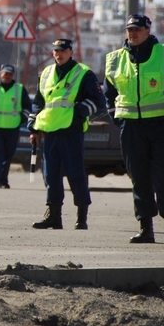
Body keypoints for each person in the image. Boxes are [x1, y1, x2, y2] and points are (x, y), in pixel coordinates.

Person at [104, 14, 164, 245]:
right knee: (139, 178)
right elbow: (109, 94)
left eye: (137, 29)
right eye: (129, 29)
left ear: (147, 30)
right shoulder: (114, 59)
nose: (132, 33)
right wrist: (118, 119)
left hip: (163, 125)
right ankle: (145, 228)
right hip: (131, 127)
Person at [27, 39, 106, 230]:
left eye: (62, 51)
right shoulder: (46, 73)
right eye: (55, 51)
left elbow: (98, 101)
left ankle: (81, 218)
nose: (58, 54)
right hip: (50, 130)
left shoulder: (84, 73)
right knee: (51, 175)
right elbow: (39, 101)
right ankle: (54, 216)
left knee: (75, 173)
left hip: (71, 130)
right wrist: (33, 124)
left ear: (71, 52)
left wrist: (79, 113)